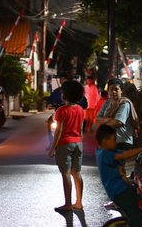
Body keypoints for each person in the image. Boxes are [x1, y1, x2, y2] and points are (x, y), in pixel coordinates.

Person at [95, 124, 142, 227]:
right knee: (136, 219)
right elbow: (124, 155)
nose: (116, 142)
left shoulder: (104, 151)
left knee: (141, 208)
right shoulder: (104, 154)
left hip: (122, 189)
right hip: (120, 192)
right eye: (114, 139)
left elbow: (125, 152)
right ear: (105, 140)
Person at [48, 80, 85, 212]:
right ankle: (79, 202)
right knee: (77, 173)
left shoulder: (62, 110)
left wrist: (53, 148)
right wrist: (81, 142)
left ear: (66, 94)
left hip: (65, 144)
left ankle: (68, 204)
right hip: (78, 143)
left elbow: (58, 131)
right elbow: (81, 129)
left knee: (66, 174)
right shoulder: (80, 109)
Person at [45, 74, 87, 150]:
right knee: (49, 122)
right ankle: (51, 141)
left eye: (64, 79)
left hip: (68, 145)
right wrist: (49, 103)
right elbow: (50, 100)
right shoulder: (57, 91)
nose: (62, 80)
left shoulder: (75, 91)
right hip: (75, 145)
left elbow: (84, 103)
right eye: (61, 79)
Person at [96, 78, 139, 151]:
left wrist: (103, 123)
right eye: (111, 89)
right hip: (110, 142)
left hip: (122, 142)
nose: (113, 92)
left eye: (116, 89)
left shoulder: (124, 104)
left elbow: (118, 122)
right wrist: (110, 120)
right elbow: (97, 118)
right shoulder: (107, 103)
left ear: (121, 90)